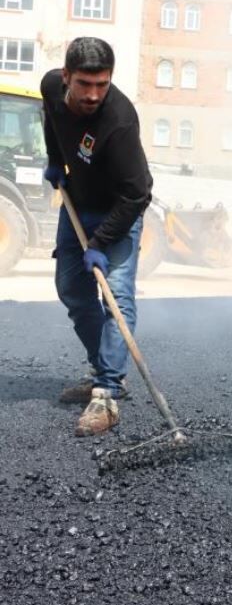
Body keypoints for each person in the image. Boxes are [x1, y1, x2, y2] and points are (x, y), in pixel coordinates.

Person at [41, 37, 152, 436]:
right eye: (84, 84)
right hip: (78, 202)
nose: (92, 95)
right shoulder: (50, 86)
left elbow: (138, 194)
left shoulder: (119, 121)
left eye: (101, 85)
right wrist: (56, 159)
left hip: (118, 211)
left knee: (115, 297)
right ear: (66, 76)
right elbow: (51, 119)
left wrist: (101, 243)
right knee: (71, 288)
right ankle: (102, 366)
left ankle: (107, 391)